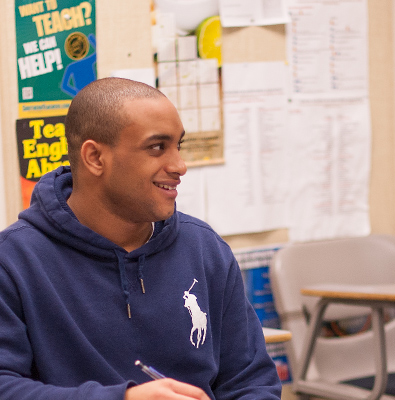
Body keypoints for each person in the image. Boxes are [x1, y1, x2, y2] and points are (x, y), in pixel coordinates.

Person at [0, 77, 282, 399]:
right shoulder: (13, 261)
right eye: (157, 147)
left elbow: (252, 382)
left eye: (179, 146)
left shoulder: (206, 250)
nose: (179, 165)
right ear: (95, 158)